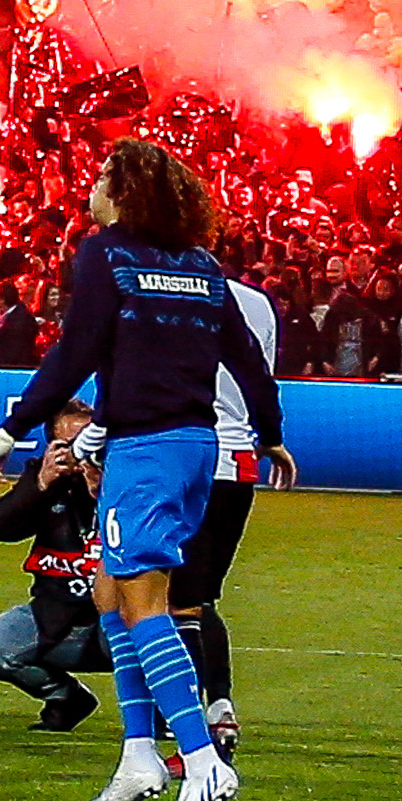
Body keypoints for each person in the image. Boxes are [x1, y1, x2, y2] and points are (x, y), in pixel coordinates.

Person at [0, 139, 279, 801]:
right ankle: (138, 754)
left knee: (146, 605)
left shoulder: (105, 254)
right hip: (182, 445)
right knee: (114, 592)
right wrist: (267, 431)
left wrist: (13, 427)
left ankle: (201, 760)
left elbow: (74, 352)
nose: (92, 187)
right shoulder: (199, 266)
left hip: (146, 450)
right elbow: (243, 358)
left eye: (101, 177)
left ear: (122, 191)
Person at [176, 260, 299, 758]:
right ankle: (218, 706)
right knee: (200, 595)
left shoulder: (165, 295)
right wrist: (271, 438)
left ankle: (184, 727)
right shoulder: (257, 302)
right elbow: (258, 374)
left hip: (186, 454)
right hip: (239, 460)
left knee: (168, 595)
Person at [0, 408, 111, 727]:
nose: (80, 453)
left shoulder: (124, 475)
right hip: (55, 617)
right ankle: (65, 697)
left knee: (156, 632)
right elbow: (2, 528)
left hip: (116, 616)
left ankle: (159, 714)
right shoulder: (43, 479)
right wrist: (41, 485)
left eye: (89, 443)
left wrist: (105, 492)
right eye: (69, 445)